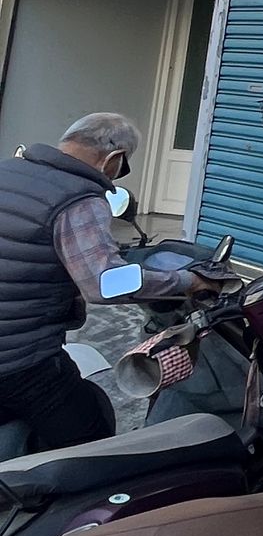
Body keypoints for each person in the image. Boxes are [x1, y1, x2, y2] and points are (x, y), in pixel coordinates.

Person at [0, 112, 204, 451]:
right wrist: (186, 281)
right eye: (123, 168)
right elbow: (106, 283)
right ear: (114, 159)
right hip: (20, 362)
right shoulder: (79, 198)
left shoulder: (7, 170)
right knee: (90, 439)